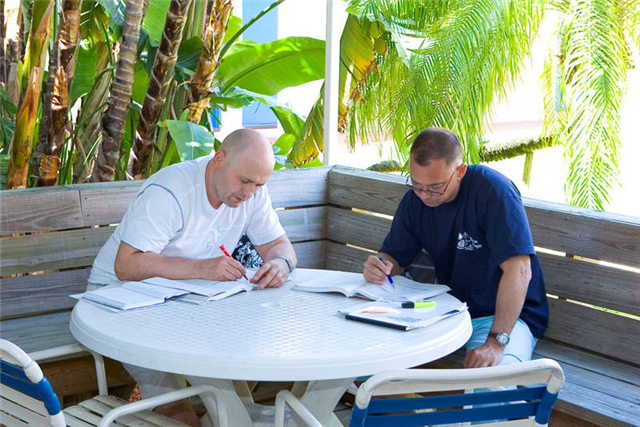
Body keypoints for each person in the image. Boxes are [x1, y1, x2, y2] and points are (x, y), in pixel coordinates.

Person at [88, 128, 297, 426]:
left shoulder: (252, 193)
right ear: (219, 159)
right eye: (245, 181)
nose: (250, 192)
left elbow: (280, 247)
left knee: (241, 373)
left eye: (259, 184)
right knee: (175, 409)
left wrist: (281, 264)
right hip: (118, 298)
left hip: (186, 300)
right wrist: (202, 268)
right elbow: (127, 265)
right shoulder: (172, 189)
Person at [363, 128, 548, 369]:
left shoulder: (494, 192)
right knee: (375, 359)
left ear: (460, 171)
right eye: (416, 184)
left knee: (493, 381)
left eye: (435, 187)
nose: (425, 196)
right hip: (448, 313)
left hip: (503, 319)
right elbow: (395, 256)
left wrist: (496, 341)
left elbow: (519, 271)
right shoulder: (415, 199)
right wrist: (380, 264)